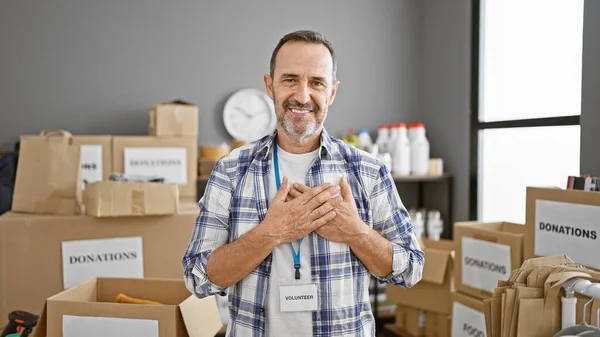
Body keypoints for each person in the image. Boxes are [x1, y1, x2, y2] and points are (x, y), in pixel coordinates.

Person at [182, 29, 424, 337]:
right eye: (290, 79)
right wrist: (269, 234)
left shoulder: (368, 171)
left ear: (332, 92)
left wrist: (356, 232)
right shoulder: (230, 170)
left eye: (317, 83)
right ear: (270, 86)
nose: (302, 95)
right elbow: (197, 277)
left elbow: (411, 269)